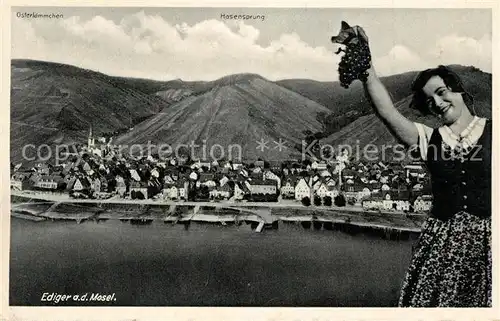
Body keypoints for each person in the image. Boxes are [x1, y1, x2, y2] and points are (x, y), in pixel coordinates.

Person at [343, 25, 492, 307]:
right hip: (440, 251)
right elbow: (387, 111)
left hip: (488, 251)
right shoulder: (428, 139)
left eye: (441, 92)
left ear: (458, 89)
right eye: (429, 100)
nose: (437, 102)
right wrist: (367, 67)